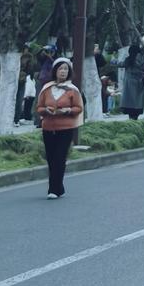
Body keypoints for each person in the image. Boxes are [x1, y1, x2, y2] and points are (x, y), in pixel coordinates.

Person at [35, 56, 83, 198]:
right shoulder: (47, 88)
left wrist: (68, 110)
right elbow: (39, 107)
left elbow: (78, 108)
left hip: (65, 128)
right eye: (60, 69)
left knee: (59, 158)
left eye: (66, 69)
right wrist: (45, 110)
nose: (63, 72)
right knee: (51, 158)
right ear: (55, 71)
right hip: (48, 128)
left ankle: (53, 190)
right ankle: (58, 187)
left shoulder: (72, 90)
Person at [120, 42, 144, 120]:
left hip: (129, 84)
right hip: (140, 83)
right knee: (138, 102)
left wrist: (113, 61)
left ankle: (131, 118)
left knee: (130, 103)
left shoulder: (129, 59)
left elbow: (122, 64)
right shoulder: (143, 59)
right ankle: (135, 117)